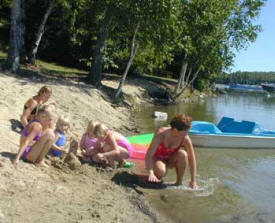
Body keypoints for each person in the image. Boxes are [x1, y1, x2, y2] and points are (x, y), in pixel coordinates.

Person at [145, 114, 197, 188]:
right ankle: (156, 176)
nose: (186, 134)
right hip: (157, 159)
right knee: (161, 172)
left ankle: (179, 183)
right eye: (185, 132)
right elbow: (149, 155)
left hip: (171, 159)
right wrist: (151, 172)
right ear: (175, 130)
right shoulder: (161, 134)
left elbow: (192, 159)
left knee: (183, 154)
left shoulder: (185, 138)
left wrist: (193, 180)